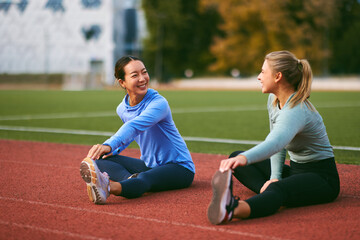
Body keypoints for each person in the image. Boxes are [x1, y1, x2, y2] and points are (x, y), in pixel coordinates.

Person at [207, 50, 340, 224]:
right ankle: (269, 191)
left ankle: (233, 209)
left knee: (275, 187)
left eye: (263, 72)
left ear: (277, 76)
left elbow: (275, 143)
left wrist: (245, 158)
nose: (259, 77)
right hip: (295, 171)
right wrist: (274, 176)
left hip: (322, 178)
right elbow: (277, 143)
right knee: (236, 158)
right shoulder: (274, 99)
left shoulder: (296, 111)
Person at [80, 56, 195, 204]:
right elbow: (128, 137)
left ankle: (108, 187)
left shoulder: (159, 103)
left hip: (179, 168)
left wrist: (108, 144)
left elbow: (134, 127)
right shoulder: (122, 109)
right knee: (101, 160)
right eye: (135, 75)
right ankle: (131, 182)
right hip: (149, 165)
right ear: (122, 82)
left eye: (144, 72)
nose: (142, 78)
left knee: (145, 178)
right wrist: (109, 151)